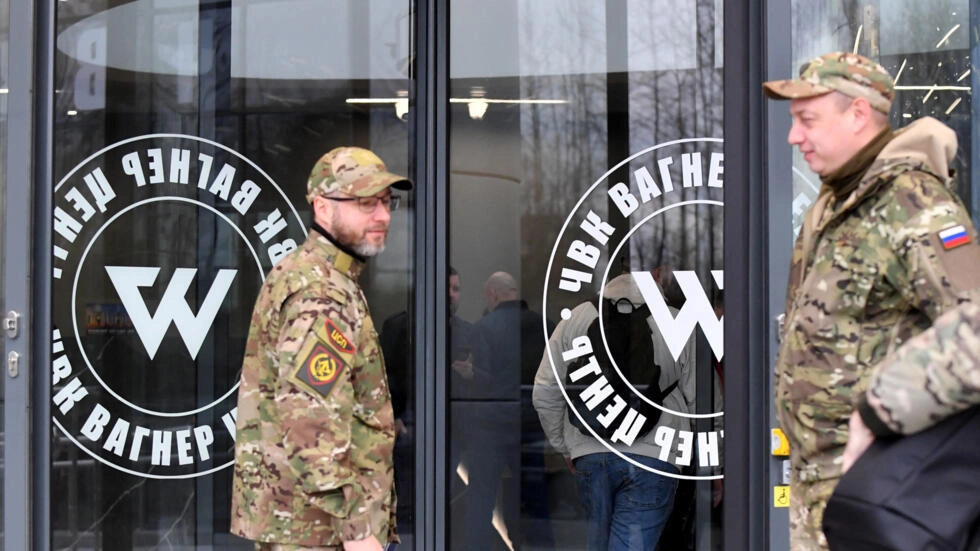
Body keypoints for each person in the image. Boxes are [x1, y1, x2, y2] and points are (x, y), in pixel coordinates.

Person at [763, 51, 980, 550]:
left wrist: (882, 410)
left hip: (880, 494)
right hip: (818, 490)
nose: (795, 137)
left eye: (807, 120)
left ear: (858, 114)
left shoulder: (914, 205)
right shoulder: (834, 204)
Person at [230, 146, 412, 551]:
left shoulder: (320, 276)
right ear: (322, 208)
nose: (382, 216)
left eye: (386, 202)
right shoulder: (321, 290)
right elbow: (309, 416)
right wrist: (357, 530)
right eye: (365, 203)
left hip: (307, 527)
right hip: (318, 534)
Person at [532, 272, 698, 551]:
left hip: (590, 454)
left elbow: (545, 391)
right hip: (653, 456)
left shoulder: (576, 318)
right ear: (659, 290)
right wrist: (713, 466)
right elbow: (703, 400)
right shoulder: (676, 321)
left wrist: (565, 448)